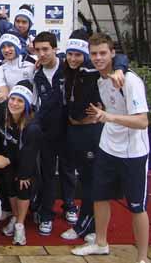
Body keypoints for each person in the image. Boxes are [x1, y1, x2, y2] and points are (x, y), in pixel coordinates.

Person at [72, 33, 149, 263]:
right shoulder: (100, 79)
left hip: (133, 153)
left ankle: (143, 257)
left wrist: (109, 117)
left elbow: (143, 121)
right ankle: (101, 243)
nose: (98, 58)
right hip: (107, 147)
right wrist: (103, 116)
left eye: (103, 53)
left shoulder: (130, 81)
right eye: (94, 53)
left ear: (113, 53)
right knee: (100, 196)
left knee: (137, 206)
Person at [61, 30, 126, 242]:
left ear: (85, 55)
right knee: (83, 179)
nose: (73, 58)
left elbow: (119, 58)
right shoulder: (68, 68)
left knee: (91, 181)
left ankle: (86, 226)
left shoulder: (92, 69)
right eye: (70, 54)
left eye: (78, 55)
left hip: (91, 132)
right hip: (74, 131)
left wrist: (120, 69)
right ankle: (87, 224)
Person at [32, 31, 78, 235]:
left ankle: (69, 205)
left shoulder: (70, 67)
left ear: (55, 49)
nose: (42, 54)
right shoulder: (37, 75)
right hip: (47, 133)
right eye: (38, 50)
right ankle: (46, 214)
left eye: (45, 49)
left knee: (68, 169)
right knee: (47, 174)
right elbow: (35, 105)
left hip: (69, 130)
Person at [0, 81, 42, 246]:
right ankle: (15, 216)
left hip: (27, 164)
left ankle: (20, 224)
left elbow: (30, 154)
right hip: (10, 160)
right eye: (13, 99)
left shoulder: (33, 127)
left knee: (23, 187)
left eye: (20, 101)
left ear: (27, 105)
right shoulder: (4, 116)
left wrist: (24, 174)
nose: (14, 103)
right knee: (9, 185)